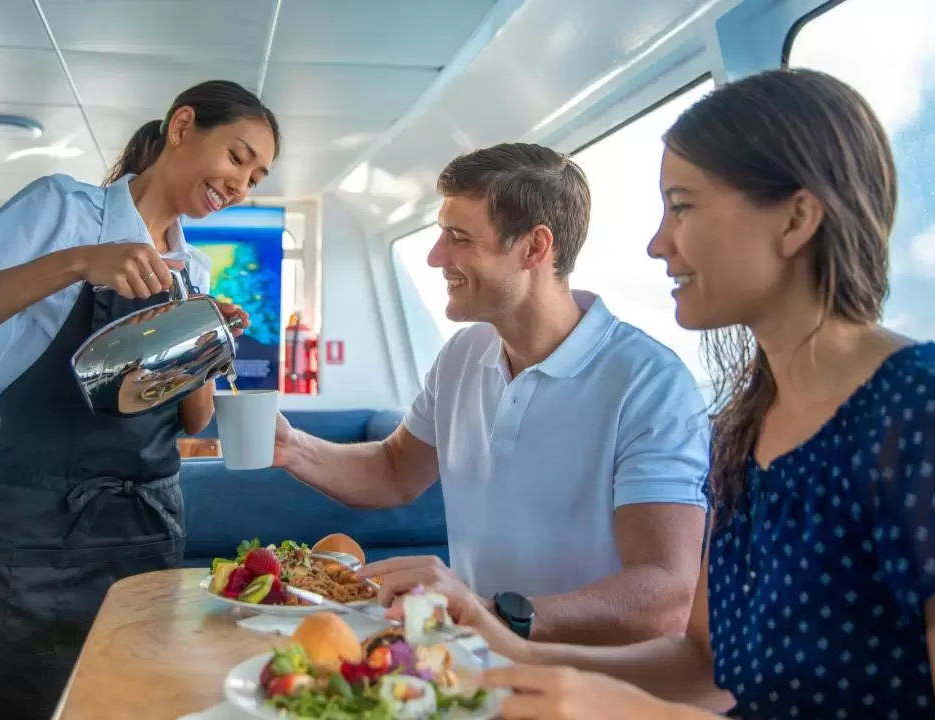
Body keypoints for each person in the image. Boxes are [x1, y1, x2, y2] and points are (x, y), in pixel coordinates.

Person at [392, 68, 935, 719]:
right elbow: (702, 665)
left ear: (796, 218)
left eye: (682, 206)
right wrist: (509, 648)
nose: (658, 243)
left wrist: (626, 711)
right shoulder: (749, 426)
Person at [0, 79, 279, 719]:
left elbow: (192, 421)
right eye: (237, 157)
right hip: (36, 527)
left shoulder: (191, 271)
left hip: (149, 530)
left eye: (257, 177)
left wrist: (207, 339)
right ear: (182, 127)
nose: (241, 185)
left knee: (128, 706)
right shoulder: (63, 209)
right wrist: (80, 263)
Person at [274, 142, 711, 645]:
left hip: (595, 687)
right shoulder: (463, 353)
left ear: (534, 248)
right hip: (478, 663)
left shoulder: (649, 382)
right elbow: (394, 471)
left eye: (459, 237)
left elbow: (668, 593)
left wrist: (493, 615)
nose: (437, 256)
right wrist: (292, 448)